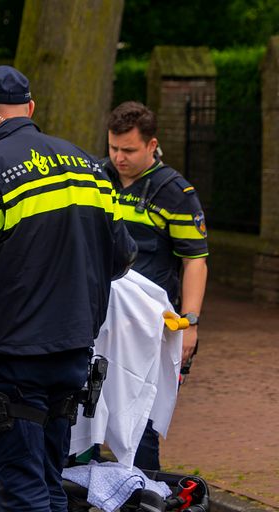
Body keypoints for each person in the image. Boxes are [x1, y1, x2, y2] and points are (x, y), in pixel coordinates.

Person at [0, 65, 136, 512]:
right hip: (74, 349)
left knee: (22, 489)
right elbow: (122, 257)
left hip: (13, 353)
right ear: (31, 108)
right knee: (50, 481)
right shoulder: (89, 166)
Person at [105, 101, 208, 470]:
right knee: (87, 416)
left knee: (142, 422)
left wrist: (190, 322)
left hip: (152, 327)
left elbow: (194, 259)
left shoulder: (175, 193)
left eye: (129, 150)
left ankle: (144, 494)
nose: (119, 157)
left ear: (152, 145)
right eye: (113, 147)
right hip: (103, 322)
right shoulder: (99, 179)